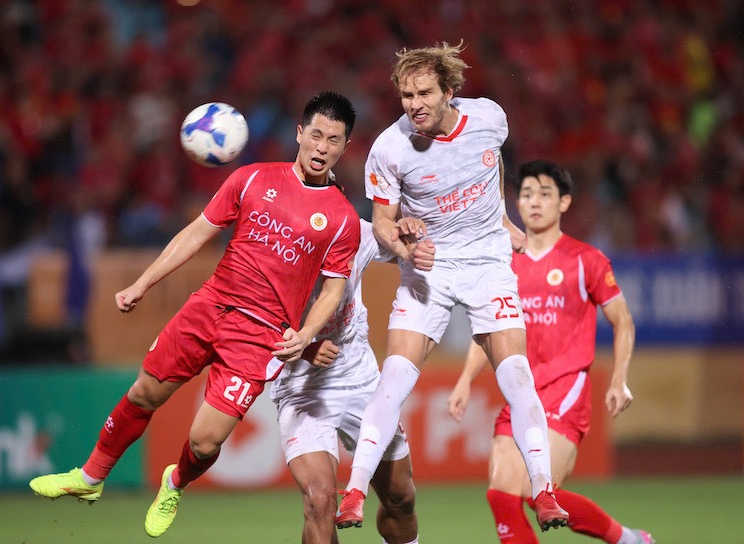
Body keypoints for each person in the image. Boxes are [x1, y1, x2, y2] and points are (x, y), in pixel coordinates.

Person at [29, 91, 362, 539]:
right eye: (316, 135)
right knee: (145, 392)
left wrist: (305, 334)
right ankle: (90, 478)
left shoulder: (341, 217)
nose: (322, 147)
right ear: (299, 133)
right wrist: (143, 283)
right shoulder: (251, 177)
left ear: (345, 147)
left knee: (206, 441)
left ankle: (175, 482)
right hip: (209, 306)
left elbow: (334, 289)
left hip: (260, 336)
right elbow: (196, 233)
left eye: (333, 140)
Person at [334, 42, 568, 532]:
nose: (414, 104)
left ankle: (544, 490)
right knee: (394, 378)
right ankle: (353, 492)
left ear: (449, 91)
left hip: (487, 264)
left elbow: (491, 164)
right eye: (406, 95)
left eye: (424, 93)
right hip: (430, 266)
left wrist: (503, 220)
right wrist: (404, 250)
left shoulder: (489, 118)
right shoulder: (390, 148)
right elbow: (382, 222)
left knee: (516, 375)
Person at [447, 160, 654, 544]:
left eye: (545, 194)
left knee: (537, 490)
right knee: (501, 495)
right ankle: (629, 539)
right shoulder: (503, 263)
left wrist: (620, 378)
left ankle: (626, 539)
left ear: (564, 203)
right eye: (527, 194)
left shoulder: (586, 260)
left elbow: (623, 320)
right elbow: (491, 331)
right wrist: (464, 380)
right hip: (521, 393)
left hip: (564, 391)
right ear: (516, 204)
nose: (535, 202)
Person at [271, 218, 419, 544]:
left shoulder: (356, 231)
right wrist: (304, 349)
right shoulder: (272, 243)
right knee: (319, 502)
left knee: (401, 497)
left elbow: (409, 249)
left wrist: (413, 232)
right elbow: (247, 321)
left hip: (359, 377)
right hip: (302, 387)